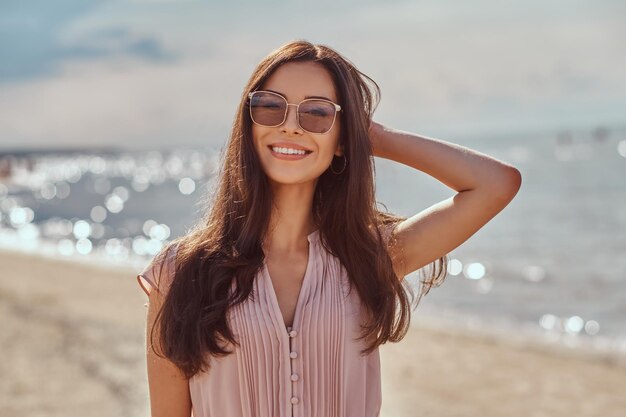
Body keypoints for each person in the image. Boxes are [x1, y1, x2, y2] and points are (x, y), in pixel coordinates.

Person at [136, 40, 521, 417]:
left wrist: (375, 137)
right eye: (270, 107)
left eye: (317, 114)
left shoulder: (370, 257)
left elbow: (495, 184)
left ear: (342, 139)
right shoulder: (179, 272)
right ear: (248, 126)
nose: (290, 126)